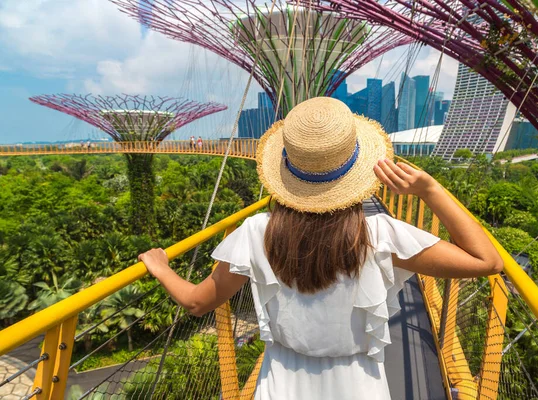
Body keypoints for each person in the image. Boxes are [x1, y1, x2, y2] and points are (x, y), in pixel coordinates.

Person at [139, 97, 502, 400]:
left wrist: (161, 267)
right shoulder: (380, 235)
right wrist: (431, 191)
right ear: (357, 171)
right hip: (359, 387)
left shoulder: (255, 231)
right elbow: (487, 261)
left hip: (280, 383)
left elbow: (196, 302)